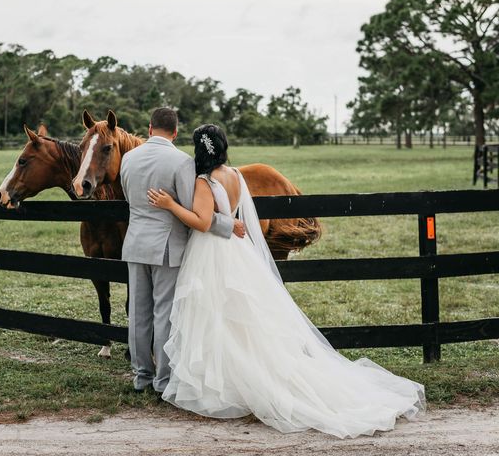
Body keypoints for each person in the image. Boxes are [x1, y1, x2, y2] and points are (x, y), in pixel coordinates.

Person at [146, 123, 425, 438]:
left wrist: (170, 205)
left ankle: (224, 383)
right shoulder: (236, 176)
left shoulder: (204, 181)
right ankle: (238, 374)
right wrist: (230, 224)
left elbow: (202, 221)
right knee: (241, 317)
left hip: (211, 253)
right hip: (237, 251)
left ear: (198, 151)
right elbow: (235, 218)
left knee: (215, 314)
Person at [120, 108, 246, 394]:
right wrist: (229, 224)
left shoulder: (128, 158)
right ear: (175, 132)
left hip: (135, 242)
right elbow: (195, 210)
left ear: (150, 129)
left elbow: (131, 199)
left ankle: (141, 377)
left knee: (138, 314)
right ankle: (163, 380)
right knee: (164, 312)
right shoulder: (181, 162)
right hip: (167, 247)